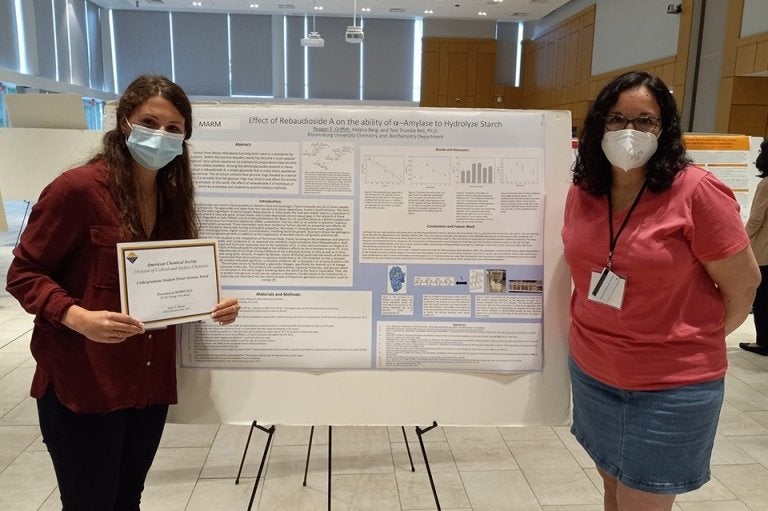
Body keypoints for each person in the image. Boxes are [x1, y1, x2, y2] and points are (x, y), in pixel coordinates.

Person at [6, 74, 241, 510]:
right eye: (150, 122)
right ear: (124, 122)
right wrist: (77, 316)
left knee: (127, 498)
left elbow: (171, 284)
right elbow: (23, 272)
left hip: (145, 384)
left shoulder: (173, 200)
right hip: (85, 384)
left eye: (174, 129)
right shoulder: (76, 190)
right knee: (89, 503)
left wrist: (212, 304)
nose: (162, 135)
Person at [561, 70, 760, 511]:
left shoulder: (696, 191)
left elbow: (743, 286)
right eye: (615, 119)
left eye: (644, 120)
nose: (628, 131)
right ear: (597, 126)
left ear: (665, 128)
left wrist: (685, 337)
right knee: (612, 486)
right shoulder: (583, 191)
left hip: (669, 386)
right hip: (594, 372)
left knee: (640, 500)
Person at [742, 138, 768, 356]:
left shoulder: (766, 183)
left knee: (763, 298)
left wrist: (740, 240)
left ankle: (763, 342)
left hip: (765, 250)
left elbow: (756, 220)